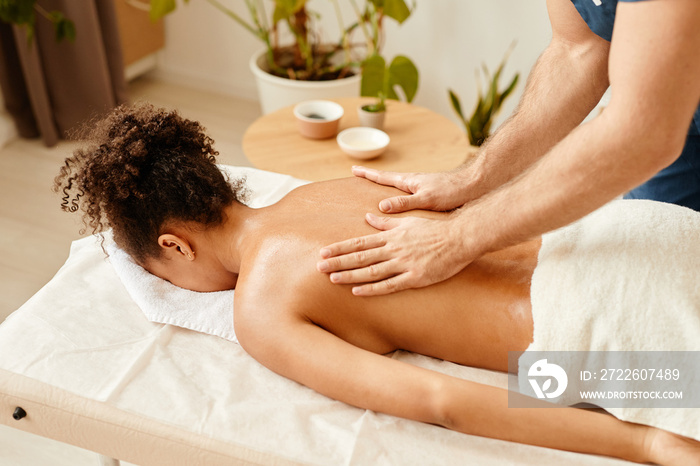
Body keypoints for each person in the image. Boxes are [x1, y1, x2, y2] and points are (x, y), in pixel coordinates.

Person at [54, 104, 699, 464]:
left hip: (622, 340)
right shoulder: (328, 187)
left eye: (158, 272)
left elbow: (438, 401)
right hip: (642, 231)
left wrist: (645, 440)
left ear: (173, 245)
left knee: (590, 382)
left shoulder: (261, 308)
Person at [316, 0, 700, 296]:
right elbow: (579, 49)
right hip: (676, 104)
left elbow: (642, 133)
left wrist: (455, 238)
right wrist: (476, 177)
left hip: (663, 112)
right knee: (663, 276)